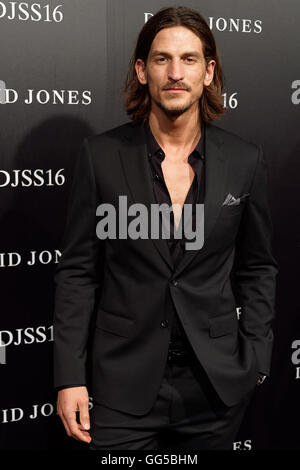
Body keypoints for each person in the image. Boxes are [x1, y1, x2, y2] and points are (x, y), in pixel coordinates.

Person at [53, 6, 278, 450]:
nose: (175, 73)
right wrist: (70, 377)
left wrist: (256, 357)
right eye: (161, 59)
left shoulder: (245, 161)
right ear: (142, 70)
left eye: (189, 59)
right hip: (122, 387)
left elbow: (258, 268)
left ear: (208, 72)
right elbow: (78, 272)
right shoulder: (100, 157)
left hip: (215, 388)